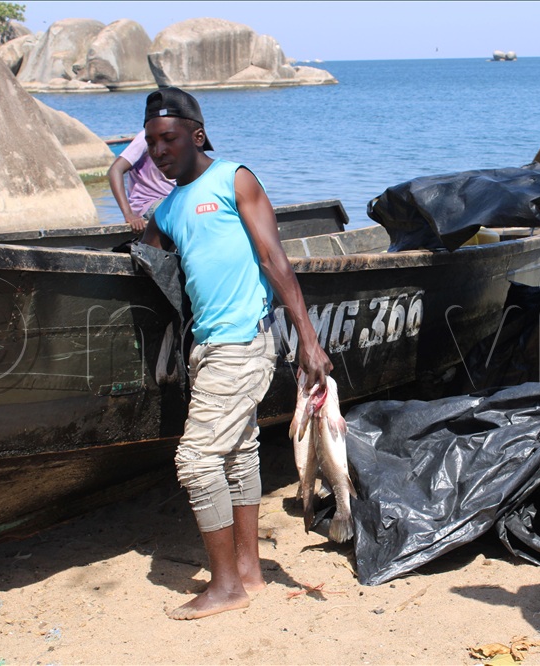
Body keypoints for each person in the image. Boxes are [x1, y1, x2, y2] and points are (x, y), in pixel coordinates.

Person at [139, 87, 333, 620]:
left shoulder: (234, 179)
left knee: (196, 461)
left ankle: (225, 586)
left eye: (169, 139)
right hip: (207, 346)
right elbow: (147, 253)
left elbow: (274, 258)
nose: (158, 151)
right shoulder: (168, 208)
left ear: (196, 136)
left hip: (242, 343)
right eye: (150, 142)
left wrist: (308, 340)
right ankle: (248, 571)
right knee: (237, 453)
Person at [108, 129, 175, 232]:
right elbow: (115, 170)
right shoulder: (146, 137)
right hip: (149, 203)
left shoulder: (183, 136)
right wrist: (128, 214)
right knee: (178, 214)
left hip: (174, 199)